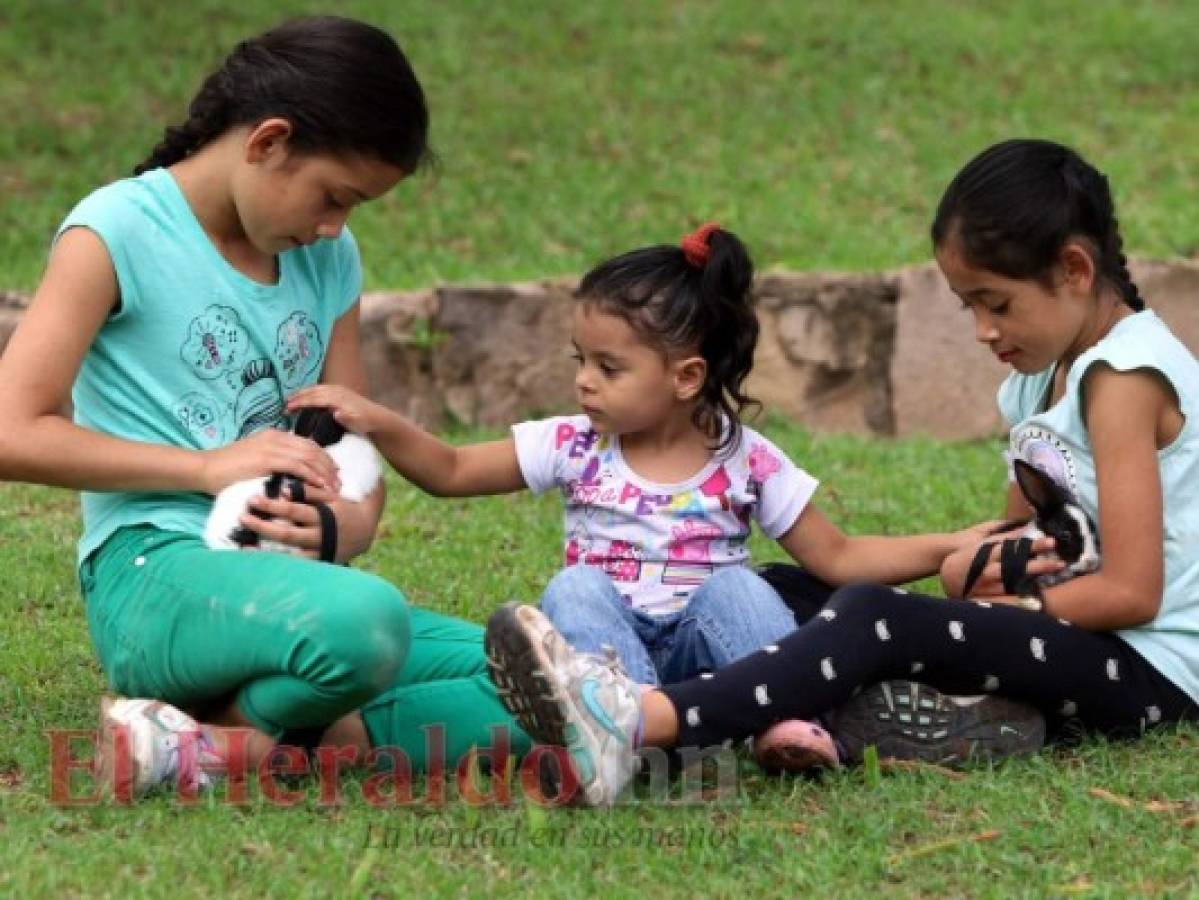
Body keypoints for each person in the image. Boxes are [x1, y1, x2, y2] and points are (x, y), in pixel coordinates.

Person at [482, 139, 1199, 805]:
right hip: (1069, 635)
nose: (982, 329)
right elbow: (1014, 548)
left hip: (1150, 668)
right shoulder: (1036, 381)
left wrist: (993, 614)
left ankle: (641, 718)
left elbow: (1133, 592)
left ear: (1073, 270)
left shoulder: (1123, 378)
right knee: (770, 590)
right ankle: (932, 720)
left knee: (873, 615)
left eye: (996, 303)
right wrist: (972, 576)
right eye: (967, 305)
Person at [0, 16, 529, 798]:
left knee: (526, 682)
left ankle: (220, 747)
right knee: (367, 626)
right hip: (152, 575)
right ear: (267, 142)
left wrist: (349, 523)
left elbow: (350, 450)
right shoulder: (115, 230)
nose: (333, 227)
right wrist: (207, 468)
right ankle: (283, 719)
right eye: (333, 198)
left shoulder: (327, 259)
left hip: (283, 581)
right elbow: (12, 431)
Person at [287, 222, 994, 781]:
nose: (585, 383)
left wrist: (948, 545)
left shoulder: (743, 460)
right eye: (580, 361)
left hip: (710, 669)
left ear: (685, 377)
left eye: (608, 367)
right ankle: (615, 730)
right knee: (577, 586)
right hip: (610, 663)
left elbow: (837, 557)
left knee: (735, 589)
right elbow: (450, 469)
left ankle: (785, 723)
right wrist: (377, 419)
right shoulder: (573, 442)